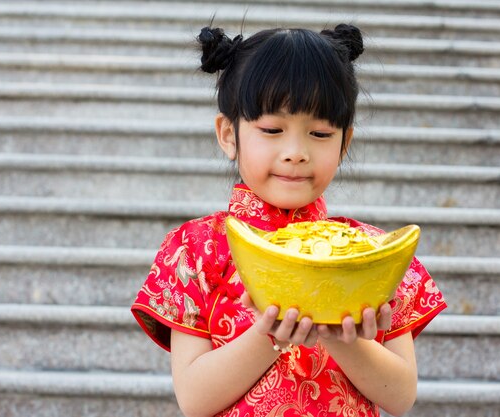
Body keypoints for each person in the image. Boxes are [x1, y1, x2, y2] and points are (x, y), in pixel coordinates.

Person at [131, 23, 447, 417]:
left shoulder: (374, 253)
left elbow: (400, 397)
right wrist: (270, 334)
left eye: (319, 133)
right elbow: (194, 400)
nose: (296, 152)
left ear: (345, 142)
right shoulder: (195, 250)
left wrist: (340, 336)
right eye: (272, 129)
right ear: (229, 134)